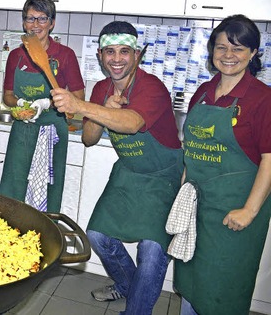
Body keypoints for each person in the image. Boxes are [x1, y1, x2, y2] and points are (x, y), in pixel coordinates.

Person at [52, 21, 183, 314]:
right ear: (100, 55)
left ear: (136, 55)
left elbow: (134, 123)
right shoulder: (101, 89)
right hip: (128, 172)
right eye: (110, 51)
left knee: (152, 249)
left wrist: (81, 105)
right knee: (98, 235)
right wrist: (103, 111)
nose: (117, 59)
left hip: (162, 177)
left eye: (124, 51)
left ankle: (136, 309)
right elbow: (88, 138)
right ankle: (129, 285)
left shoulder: (153, 87)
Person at [173, 14, 271, 315]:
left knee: (223, 289)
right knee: (190, 281)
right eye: (221, 47)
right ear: (211, 51)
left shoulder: (262, 99)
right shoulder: (202, 92)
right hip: (198, 208)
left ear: (253, 53)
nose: (229, 55)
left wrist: (249, 211)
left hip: (234, 212)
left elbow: (270, 159)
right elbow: (191, 148)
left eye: (238, 48)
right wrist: (182, 191)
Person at [0, 0, 85, 212]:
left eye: (41, 19)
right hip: (22, 131)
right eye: (30, 19)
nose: (35, 25)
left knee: (46, 193)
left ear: (52, 22)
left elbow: (79, 97)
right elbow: (7, 95)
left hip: (52, 131)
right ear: (23, 23)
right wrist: (21, 103)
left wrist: (46, 104)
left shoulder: (65, 55)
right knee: (13, 193)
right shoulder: (16, 56)